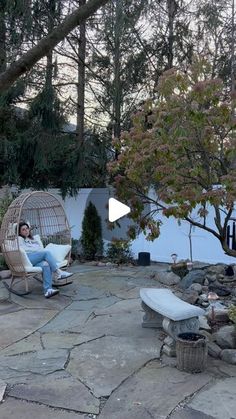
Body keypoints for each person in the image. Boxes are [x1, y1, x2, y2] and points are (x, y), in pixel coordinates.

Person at [18, 222, 73, 299]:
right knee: (46, 253)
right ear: (20, 232)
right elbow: (26, 249)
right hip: (28, 258)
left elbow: (38, 249)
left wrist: (36, 248)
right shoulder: (19, 239)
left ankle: (48, 290)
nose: (26, 231)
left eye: (27, 228)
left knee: (46, 264)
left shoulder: (31, 239)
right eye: (23, 230)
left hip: (35, 260)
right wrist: (36, 250)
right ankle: (58, 272)